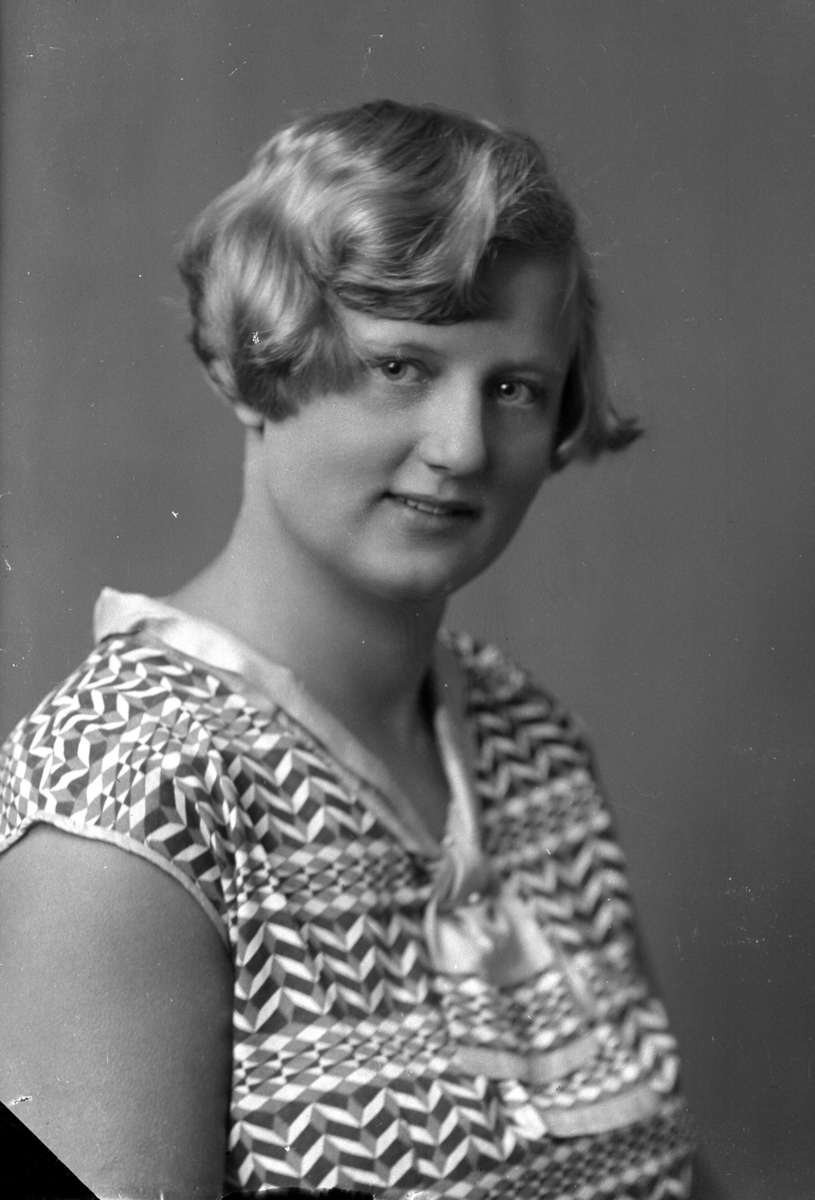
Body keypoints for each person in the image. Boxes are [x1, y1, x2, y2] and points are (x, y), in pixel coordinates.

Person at [0, 101, 696, 1198]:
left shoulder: (529, 737)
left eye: (514, 388)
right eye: (400, 367)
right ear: (253, 365)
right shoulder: (129, 799)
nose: (461, 447)